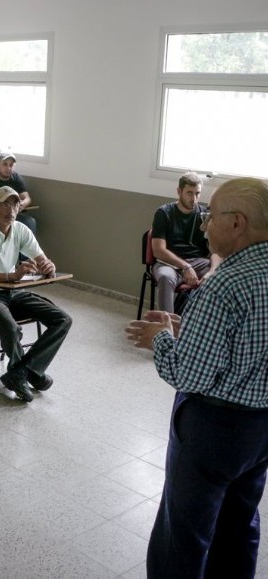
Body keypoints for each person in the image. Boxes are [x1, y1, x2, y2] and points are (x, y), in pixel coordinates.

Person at [126, 177, 268, 579]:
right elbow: (249, 341)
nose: (204, 225)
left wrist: (163, 339)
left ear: (237, 222)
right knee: (239, 524)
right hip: (260, 428)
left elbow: (187, 373)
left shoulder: (224, 285)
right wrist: (192, 328)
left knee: (184, 535)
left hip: (214, 430)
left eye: (211, 216)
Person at [0, 186, 72, 402]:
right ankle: (26, 374)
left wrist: (48, 266)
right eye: (5, 203)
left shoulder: (21, 229)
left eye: (14, 204)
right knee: (11, 328)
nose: (10, 209)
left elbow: (41, 258)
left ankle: (24, 372)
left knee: (62, 319)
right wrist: (11, 276)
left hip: (12, 291)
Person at [151, 171, 220, 313]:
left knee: (219, 275)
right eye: (189, 193)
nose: (194, 198)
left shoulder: (204, 215)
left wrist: (212, 271)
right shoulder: (164, 213)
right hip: (169, 263)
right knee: (165, 277)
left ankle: (198, 325)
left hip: (198, 262)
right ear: (179, 191)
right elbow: (158, 250)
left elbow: (215, 250)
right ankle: (168, 327)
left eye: (197, 193)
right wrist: (186, 266)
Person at [0, 153, 36, 233]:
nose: (8, 168)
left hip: (11, 215)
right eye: (5, 164)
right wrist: (8, 207)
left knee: (30, 222)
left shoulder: (17, 178)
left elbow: (27, 198)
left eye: (11, 165)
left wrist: (22, 204)